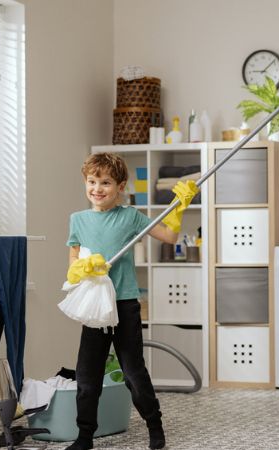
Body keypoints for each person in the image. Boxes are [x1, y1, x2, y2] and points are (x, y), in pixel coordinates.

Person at [64, 153, 198, 450]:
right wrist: (80, 269)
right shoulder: (78, 220)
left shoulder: (131, 216)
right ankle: (84, 436)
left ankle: (154, 426)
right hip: (95, 308)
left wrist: (178, 208)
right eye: (92, 181)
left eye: (106, 183)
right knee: (87, 376)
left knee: (133, 373)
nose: (97, 188)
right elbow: (72, 264)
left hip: (124, 304)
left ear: (121, 186)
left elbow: (169, 235)